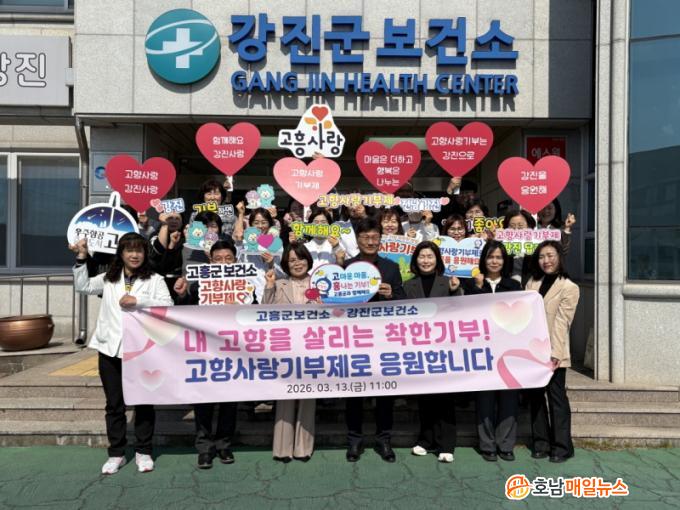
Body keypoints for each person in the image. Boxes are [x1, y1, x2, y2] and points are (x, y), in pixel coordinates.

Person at [70, 233, 173, 475]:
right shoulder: (109, 278)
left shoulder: (155, 279)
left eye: (139, 250)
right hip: (110, 348)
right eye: (129, 250)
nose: (134, 255)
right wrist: (82, 257)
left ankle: (143, 451)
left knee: (144, 402)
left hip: (142, 350)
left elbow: (168, 305)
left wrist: (139, 300)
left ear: (145, 254)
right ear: (121, 253)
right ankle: (116, 453)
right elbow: (83, 286)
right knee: (114, 404)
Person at [173, 240, 240, 469]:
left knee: (230, 401)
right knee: (204, 401)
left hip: (233, 350)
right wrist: (182, 294)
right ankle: (204, 448)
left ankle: (224, 444)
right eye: (218, 259)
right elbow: (183, 313)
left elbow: (255, 313)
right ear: (210, 262)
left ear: (236, 261)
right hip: (205, 351)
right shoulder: (198, 286)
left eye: (228, 259)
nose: (223, 263)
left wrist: (240, 306)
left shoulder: (245, 286)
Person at [344, 217, 406, 463]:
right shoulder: (346, 266)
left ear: (380, 240)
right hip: (354, 338)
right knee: (354, 391)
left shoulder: (391, 267)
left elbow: (403, 301)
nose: (370, 242)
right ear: (357, 240)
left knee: (385, 392)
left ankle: (384, 440)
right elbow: (336, 304)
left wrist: (391, 295)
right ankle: (354, 440)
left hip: (383, 339)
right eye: (365, 237)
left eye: (374, 237)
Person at [461, 240, 522, 462]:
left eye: (499, 257)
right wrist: (478, 287)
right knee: (484, 400)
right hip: (482, 352)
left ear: (504, 261)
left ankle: (506, 445)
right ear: (483, 260)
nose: (494, 261)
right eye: (490, 257)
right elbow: (466, 312)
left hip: (507, 352)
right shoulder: (471, 284)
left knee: (509, 399)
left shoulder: (514, 286)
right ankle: (487, 445)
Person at [405, 241, 461, 463]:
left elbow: (463, 310)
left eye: (430, 256)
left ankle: (447, 444)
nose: (426, 261)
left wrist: (456, 291)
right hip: (419, 349)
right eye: (422, 256)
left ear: (437, 260)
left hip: (444, 348)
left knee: (445, 398)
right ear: (415, 260)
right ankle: (426, 440)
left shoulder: (449, 283)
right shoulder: (408, 285)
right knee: (425, 397)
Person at [263, 243, 319, 462]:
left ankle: (303, 448)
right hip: (285, 348)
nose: (297, 263)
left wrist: (323, 304)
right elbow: (263, 312)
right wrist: (269, 286)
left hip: (312, 348)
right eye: (292, 260)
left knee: (308, 398)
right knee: (285, 396)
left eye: (301, 258)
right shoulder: (279, 284)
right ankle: (282, 448)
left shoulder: (320, 283)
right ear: (286, 264)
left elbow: (335, 313)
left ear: (308, 260)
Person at [525, 240, 579, 463]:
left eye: (550, 255)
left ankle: (562, 446)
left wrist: (555, 352)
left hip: (554, 352)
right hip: (532, 351)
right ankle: (541, 443)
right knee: (536, 399)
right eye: (541, 256)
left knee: (557, 399)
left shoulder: (569, 287)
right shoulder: (532, 282)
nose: (546, 260)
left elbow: (562, 322)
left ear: (559, 257)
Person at [502, 209, 537, 285]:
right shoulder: (501, 246)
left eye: (520, 226)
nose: (516, 230)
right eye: (512, 227)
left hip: (530, 288)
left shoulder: (537, 246)